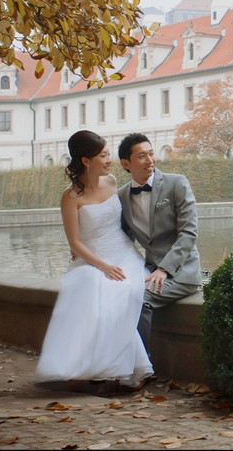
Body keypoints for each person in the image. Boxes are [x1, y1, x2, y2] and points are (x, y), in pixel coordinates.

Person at [34, 130, 152, 390]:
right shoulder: (71, 197)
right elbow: (75, 243)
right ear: (86, 160)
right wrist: (103, 266)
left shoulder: (111, 183)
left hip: (124, 255)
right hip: (94, 258)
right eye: (103, 155)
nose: (109, 159)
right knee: (91, 288)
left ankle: (115, 371)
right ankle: (101, 370)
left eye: (108, 154)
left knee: (122, 292)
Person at [118, 133, 202, 357]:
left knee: (139, 297)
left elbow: (189, 232)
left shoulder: (177, 183)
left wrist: (164, 269)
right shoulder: (122, 197)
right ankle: (111, 364)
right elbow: (121, 239)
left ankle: (138, 367)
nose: (150, 160)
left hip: (181, 272)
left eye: (151, 153)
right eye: (142, 156)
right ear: (126, 163)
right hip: (149, 271)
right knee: (114, 295)